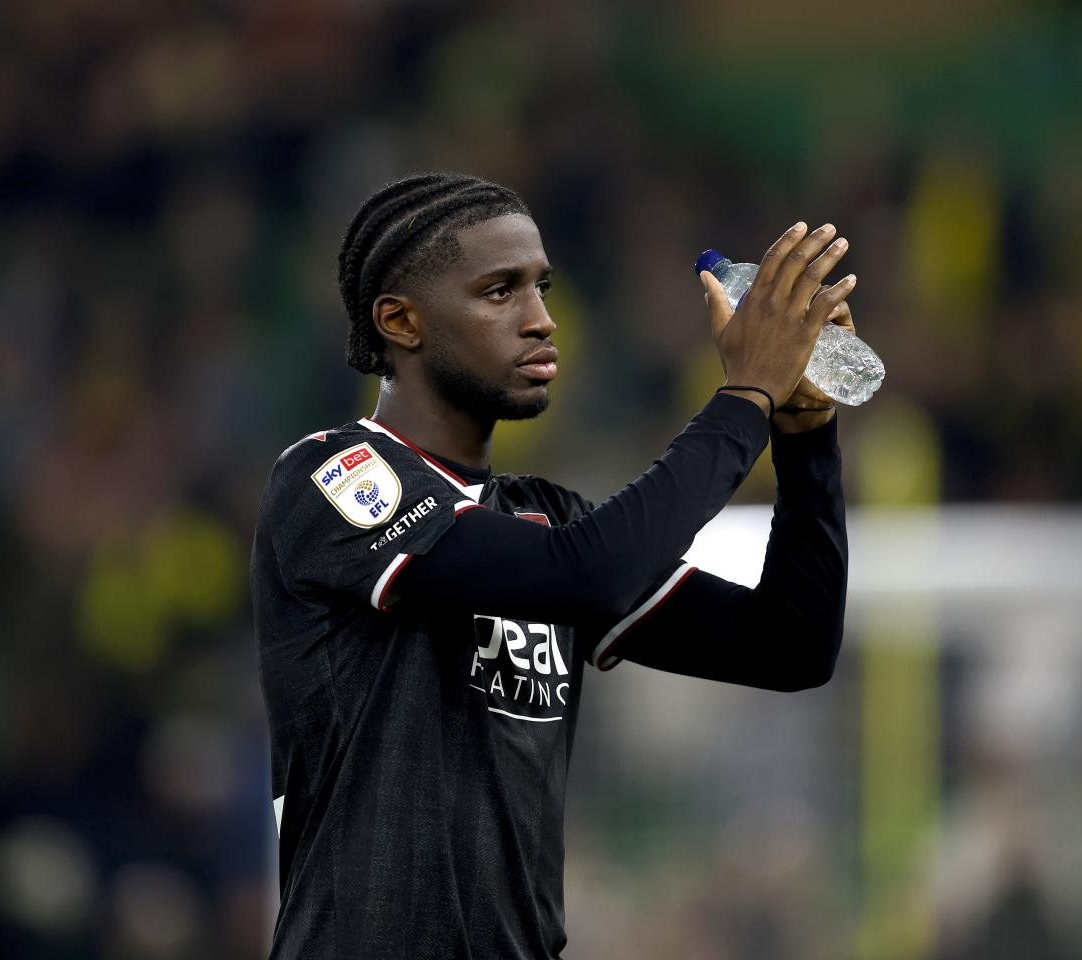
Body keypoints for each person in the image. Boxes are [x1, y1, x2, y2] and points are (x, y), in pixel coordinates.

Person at [252, 173, 852, 959]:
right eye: (499, 292)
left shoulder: (546, 520)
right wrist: (744, 396)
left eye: (542, 288)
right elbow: (589, 574)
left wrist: (805, 436)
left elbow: (790, 646)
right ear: (401, 321)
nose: (541, 321)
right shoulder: (335, 478)